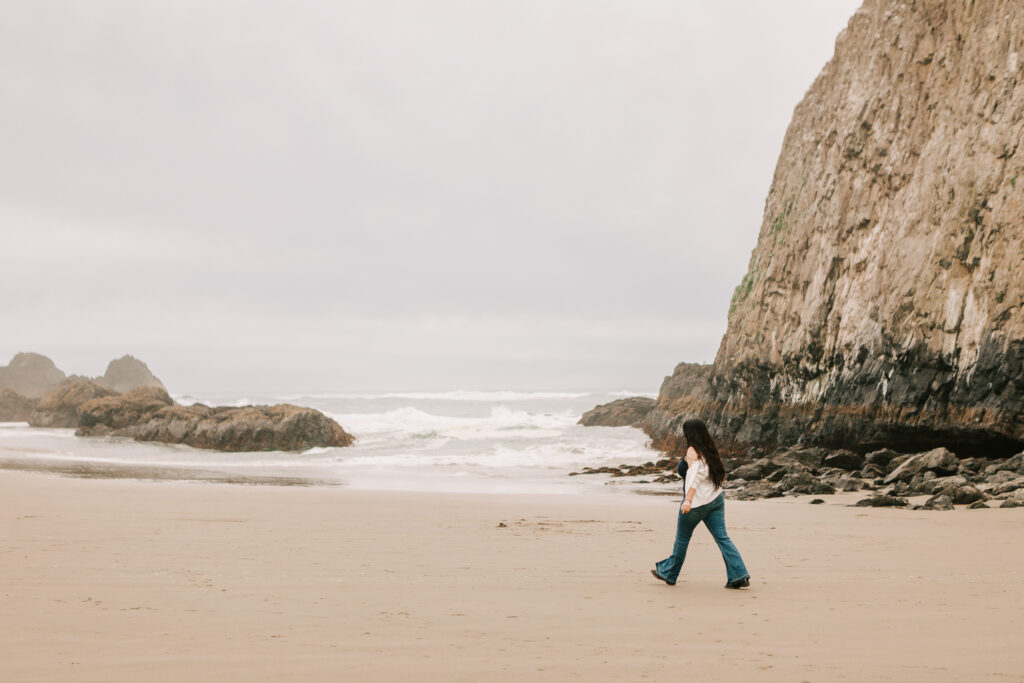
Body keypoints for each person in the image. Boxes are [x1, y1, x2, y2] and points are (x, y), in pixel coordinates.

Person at [651, 418, 750, 588]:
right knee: (722, 537)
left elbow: (694, 477)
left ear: (689, 433)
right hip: (716, 499)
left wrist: (688, 500)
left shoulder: (692, 451)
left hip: (697, 503)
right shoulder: (710, 450)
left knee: (682, 539)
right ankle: (739, 574)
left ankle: (669, 573)